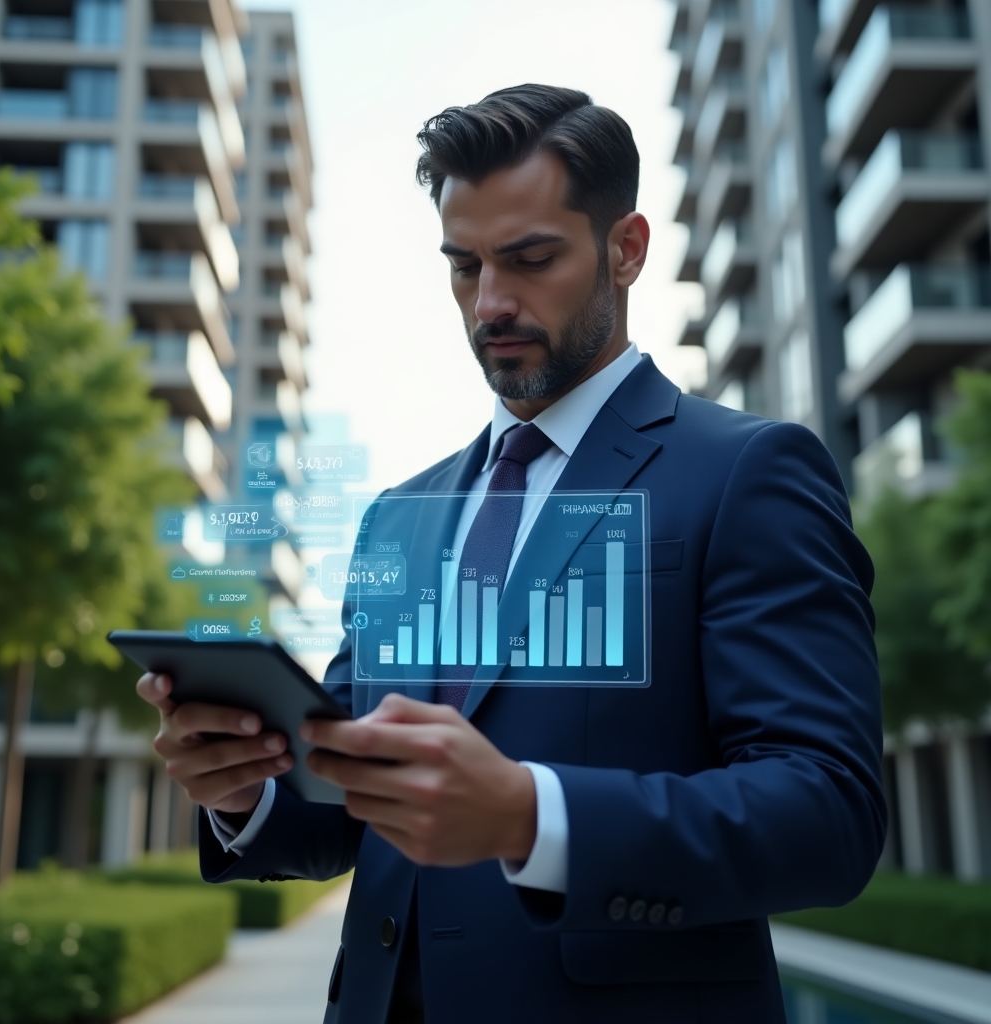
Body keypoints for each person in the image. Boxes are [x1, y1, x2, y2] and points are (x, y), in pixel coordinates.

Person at [137, 84, 886, 1024]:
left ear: (627, 248)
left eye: (530, 259)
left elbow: (828, 811)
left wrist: (535, 817)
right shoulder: (397, 519)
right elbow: (347, 807)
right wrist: (245, 790)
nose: (490, 302)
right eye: (464, 266)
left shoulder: (748, 472)